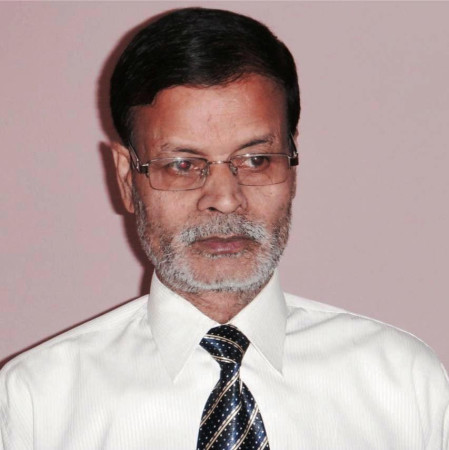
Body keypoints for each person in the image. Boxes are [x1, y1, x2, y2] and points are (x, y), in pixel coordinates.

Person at [0, 7, 448, 449]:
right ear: (125, 178)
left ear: (293, 166)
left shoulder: (405, 384)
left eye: (256, 160)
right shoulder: (38, 403)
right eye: (182, 164)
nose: (225, 199)